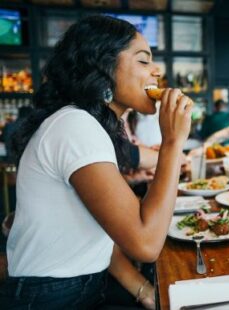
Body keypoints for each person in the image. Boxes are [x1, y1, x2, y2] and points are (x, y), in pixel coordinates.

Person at [0, 15, 192, 308]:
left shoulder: (88, 125)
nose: (156, 71)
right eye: (143, 61)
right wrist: (172, 143)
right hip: (50, 298)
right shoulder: (75, 125)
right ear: (103, 66)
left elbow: (102, 234)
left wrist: (145, 293)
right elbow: (146, 243)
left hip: (81, 287)